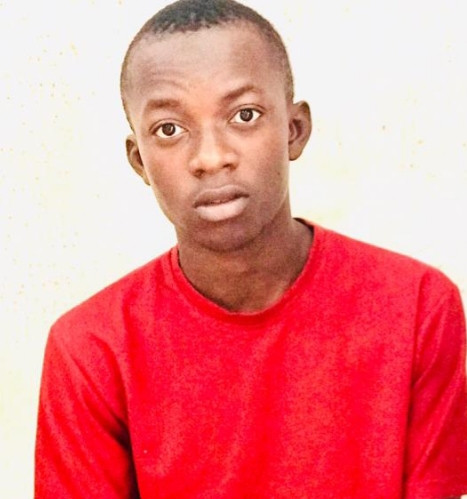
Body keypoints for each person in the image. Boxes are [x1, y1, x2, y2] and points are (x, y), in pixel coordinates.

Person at [34, 0, 467, 497]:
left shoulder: (416, 306)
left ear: (294, 131)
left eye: (244, 115)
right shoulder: (91, 350)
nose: (211, 157)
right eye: (169, 129)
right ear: (139, 161)